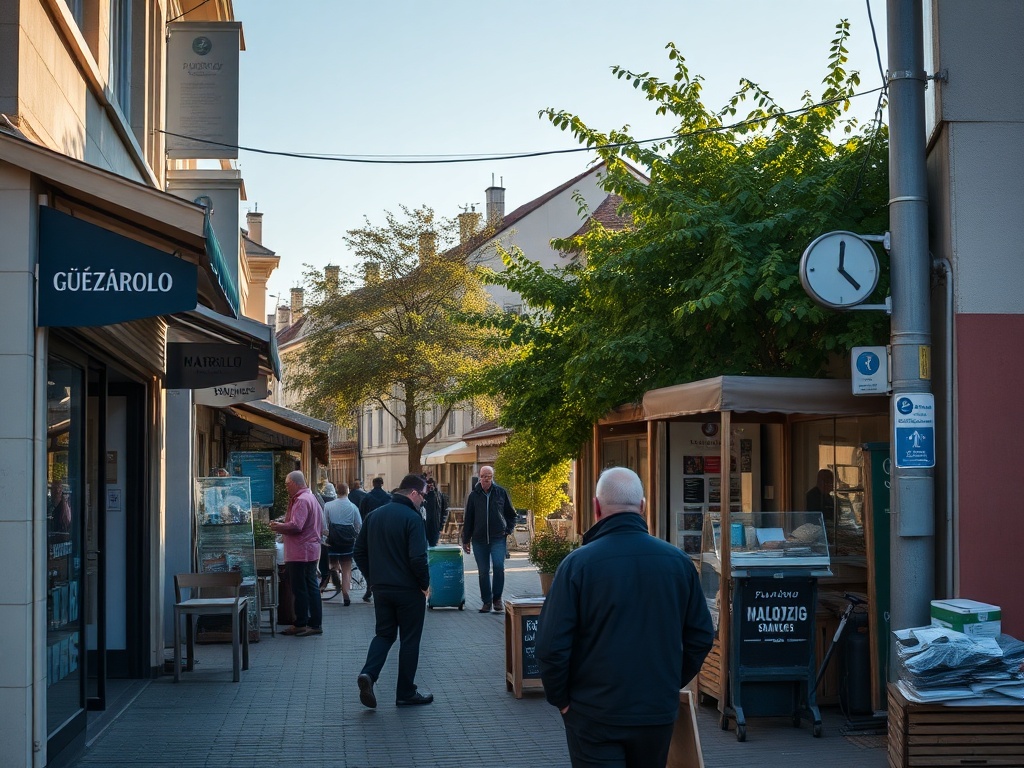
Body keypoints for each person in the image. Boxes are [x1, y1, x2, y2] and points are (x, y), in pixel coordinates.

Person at [535, 467, 714, 768]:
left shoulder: (577, 566)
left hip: (593, 712)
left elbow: (550, 645)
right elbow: (701, 635)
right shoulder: (679, 564)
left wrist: (562, 700)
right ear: (643, 506)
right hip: (655, 711)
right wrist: (669, 681)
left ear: (596, 507)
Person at [354, 474, 433, 708]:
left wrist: (372, 580)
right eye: (424, 497)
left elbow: (359, 552)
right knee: (410, 640)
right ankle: (405, 692)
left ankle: (369, 674)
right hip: (409, 590)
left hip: (382, 590)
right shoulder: (413, 518)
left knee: (384, 634)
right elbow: (418, 558)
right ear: (414, 493)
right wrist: (424, 584)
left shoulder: (374, 516)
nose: (424, 502)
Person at [270, 470, 324, 637]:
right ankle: (308, 622)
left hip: (300, 552)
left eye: (287, 484)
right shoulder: (311, 497)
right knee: (309, 586)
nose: (286, 488)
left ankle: (306, 623)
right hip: (308, 550)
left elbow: (296, 526)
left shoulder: (301, 500)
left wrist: (277, 526)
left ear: (294, 483)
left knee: (301, 588)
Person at [462, 465, 517, 613]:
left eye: (489, 476)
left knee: (499, 567)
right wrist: (465, 540)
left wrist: (508, 530)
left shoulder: (500, 493)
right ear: (479, 476)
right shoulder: (474, 495)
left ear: (493, 477)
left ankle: (497, 599)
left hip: (498, 537)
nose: (486, 478)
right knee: (483, 571)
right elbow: (469, 519)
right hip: (479, 539)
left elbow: (511, 515)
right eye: (484, 475)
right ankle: (486, 601)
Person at [324, 482, 362, 606]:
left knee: (333, 564)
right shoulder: (353, 507)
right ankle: (346, 593)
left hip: (333, 539)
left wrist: (326, 536)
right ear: (348, 491)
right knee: (347, 568)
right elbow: (359, 525)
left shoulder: (328, 505)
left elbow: (324, 525)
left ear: (336, 491)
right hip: (348, 541)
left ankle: (336, 579)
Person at [358, 477, 391, 603]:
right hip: (386, 533)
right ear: (382, 484)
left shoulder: (366, 498)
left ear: (373, 484)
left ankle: (369, 585)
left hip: (370, 533)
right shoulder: (388, 498)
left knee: (370, 560)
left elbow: (362, 515)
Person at [317, 482, 338, 590]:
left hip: (326, 537)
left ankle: (327, 578)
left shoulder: (321, 502)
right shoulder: (333, 504)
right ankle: (332, 577)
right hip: (334, 537)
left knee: (325, 560)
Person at [422, 478, 449, 547]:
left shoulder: (440, 496)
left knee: (433, 546)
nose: (431, 487)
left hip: (435, 526)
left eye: (432, 485)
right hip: (424, 527)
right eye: (429, 486)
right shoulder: (423, 496)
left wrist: (441, 526)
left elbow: (444, 511)